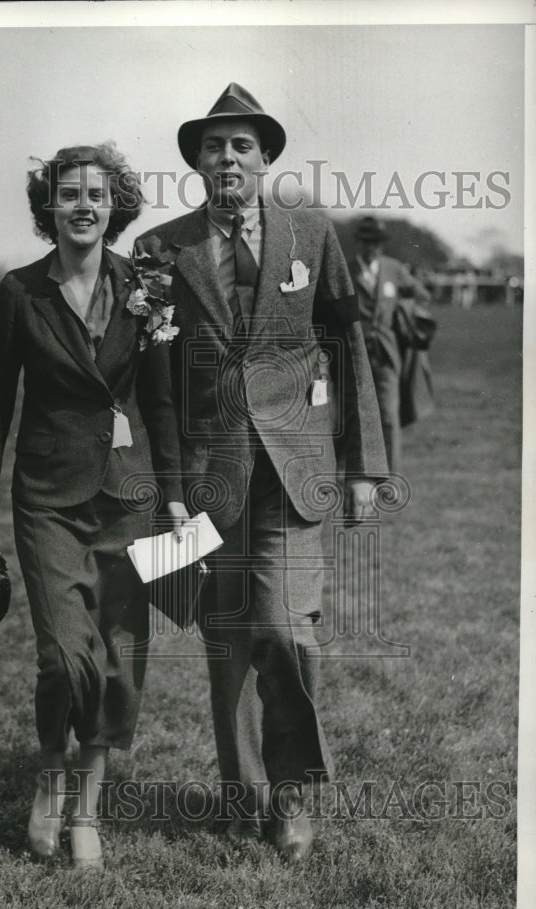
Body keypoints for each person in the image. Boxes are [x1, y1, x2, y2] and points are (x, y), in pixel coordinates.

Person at [134, 83, 387, 860]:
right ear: (197, 163)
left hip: (297, 463)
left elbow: (350, 346)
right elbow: (155, 384)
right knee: (227, 639)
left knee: (282, 629)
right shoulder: (159, 248)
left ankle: (294, 794)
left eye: (241, 145)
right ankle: (243, 798)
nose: (227, 158)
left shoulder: (312, 233)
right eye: (214, 147)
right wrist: (169, 491)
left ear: (265, 156)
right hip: (208, 475)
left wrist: (364, 465)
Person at [0, 143, 187, 869]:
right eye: (68, 194)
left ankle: (86, 812)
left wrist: (178, 496)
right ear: (48, 208)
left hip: (130, 496)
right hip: (47, 497)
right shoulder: (18, 292)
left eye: (96, 193)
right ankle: (49, 776)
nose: (83, 205)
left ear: (115, 205)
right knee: (66, 657)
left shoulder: (148, 283)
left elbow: (160, 399)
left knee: (118, 661)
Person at [348, 216, 433, 474]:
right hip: (354, 357)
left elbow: (422, 295)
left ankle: (388, 478)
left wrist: (403, 311)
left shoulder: (393, 269)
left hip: (387, 355)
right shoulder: (346, 269)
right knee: (356, 418)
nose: (371, 246)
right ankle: (359, 475)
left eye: (376, 242)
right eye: (366, 241)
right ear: (359, 241)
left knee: (388, 417)